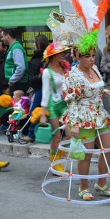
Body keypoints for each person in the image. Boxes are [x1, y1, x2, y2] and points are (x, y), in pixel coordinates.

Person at [62, 46, 110, 200]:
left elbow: (94, 88)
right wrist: (74, 124)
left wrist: (105, 91)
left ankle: (101, 183)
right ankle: (84, 187)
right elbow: (71, 101)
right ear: (78, 57)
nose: (92, 59)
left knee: (108, 148)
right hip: (82, 116)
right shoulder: (72, 75)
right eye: (87, 56)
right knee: (85, 154)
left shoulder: (94, 69)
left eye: (93, 55)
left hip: (99, 114)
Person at [39, 42, 71, 174]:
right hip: (52, 106)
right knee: (57, 135)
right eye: (60, 53)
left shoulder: (65, 69)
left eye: (63, 53)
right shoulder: (47, 72)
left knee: (70, 135)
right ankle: (54, 163)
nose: (63, 55)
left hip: (64, 104)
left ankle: (59, 159)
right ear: (52, 56)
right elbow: (45, 93)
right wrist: (42, 113)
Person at [21, 35, 49, 143]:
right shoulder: (43, 58)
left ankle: (31, 134)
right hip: (40, 88)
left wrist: (38, 76)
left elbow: (33, 78)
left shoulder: (39, 59)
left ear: (39, 44)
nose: (33, 44)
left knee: (35, 111)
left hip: (40, 89)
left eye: (35, 42)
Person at [2, 28, 29, 95]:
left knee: (18, 104)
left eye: (3, 36)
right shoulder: (13, 47)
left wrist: (12, 80)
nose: (2, 39)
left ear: (8, 36)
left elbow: (21, 67)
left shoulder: (16, 48)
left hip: (18, 84)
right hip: (17, 82)